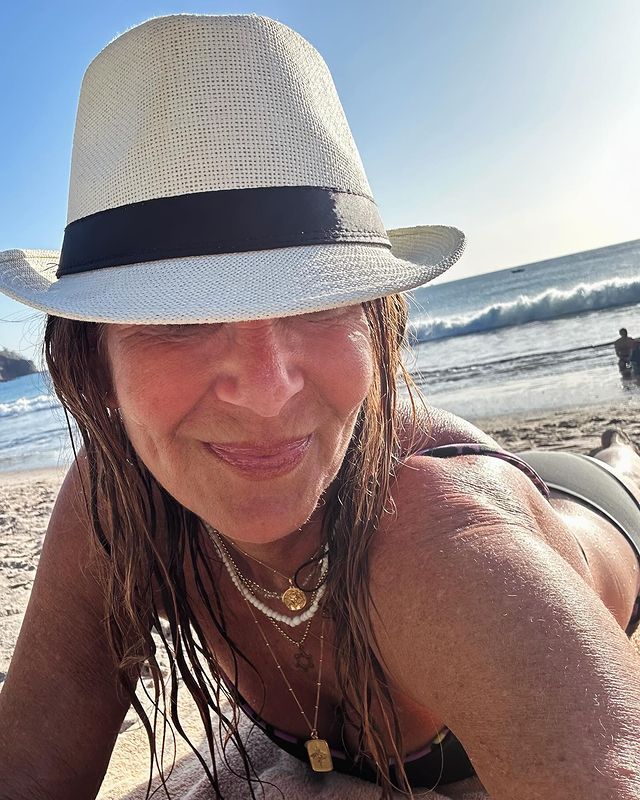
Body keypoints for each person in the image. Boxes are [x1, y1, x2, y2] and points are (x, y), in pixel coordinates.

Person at [1, 15, 640, 800]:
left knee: (622, 466)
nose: (268, 389)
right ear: (91, 361)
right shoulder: (115, 501)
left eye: (317, 303)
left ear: (376, 320)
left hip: (595, 516)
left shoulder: (449, 553)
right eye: (177, 319)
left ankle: (621, 454)